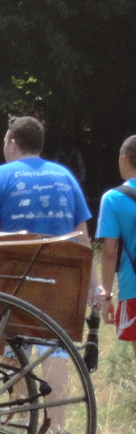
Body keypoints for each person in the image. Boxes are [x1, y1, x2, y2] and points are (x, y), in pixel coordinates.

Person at [0, 115, 94, 428]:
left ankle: (20, 420)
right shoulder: (66, 177)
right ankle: (58, 424)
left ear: (13, 144)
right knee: (55, 349)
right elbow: (83, 239)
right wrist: (93, 288)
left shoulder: (0, 176)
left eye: (5, 142)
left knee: (14, 346)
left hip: (16, 278)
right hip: (60, 282)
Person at [97, 135, 136, 350]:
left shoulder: (113, 199)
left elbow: (110, 252)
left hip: (133, 290)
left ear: (124, 159)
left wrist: (106, 296)